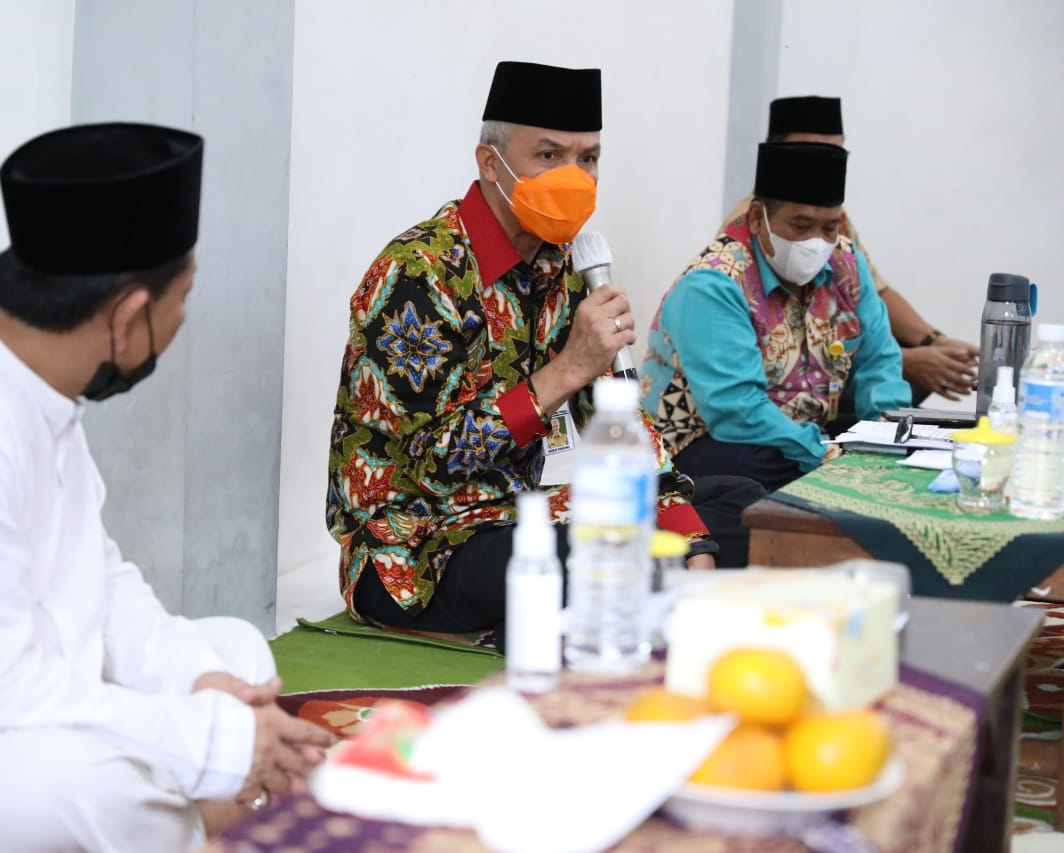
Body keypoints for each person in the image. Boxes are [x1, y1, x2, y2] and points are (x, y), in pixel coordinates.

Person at [0, 123, 334, 851]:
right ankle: (194, 822)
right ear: (128, 314)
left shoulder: (29, 389)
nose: (182, 321)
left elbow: (101, 582)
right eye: (183, 298)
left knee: (233, 654)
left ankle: (187, 818)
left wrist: (200, 686)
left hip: (9, 700)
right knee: (85, 787)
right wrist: (204, 741)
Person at [327, 61, 766, 648]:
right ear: (490, 164)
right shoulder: (418, 274)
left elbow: (618, 421)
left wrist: (689, 536)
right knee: (603, 554)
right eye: (549, 156)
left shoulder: (564, 267)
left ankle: (575, 609)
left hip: (517, 515)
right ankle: (566, 615)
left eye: (588, 159)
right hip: (418, 547)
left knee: (741, 505)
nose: (574, 177)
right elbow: (429, 466)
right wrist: (568, 371)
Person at [639, 141, 912, 492]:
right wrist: (824, 455)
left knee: (874, 459)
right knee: (761, 474)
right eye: (800, 225)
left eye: (829, 228)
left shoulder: (847, 264)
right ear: (757, 218)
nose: (816, 242)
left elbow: (880, 363)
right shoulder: (715, 283)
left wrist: (887, 438)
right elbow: (738, 411)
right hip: (698, 445)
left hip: (797, 439)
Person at [724, 96, 979, 405]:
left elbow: (874, 292)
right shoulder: (741, 236)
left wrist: (936, 341)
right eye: (801, 226)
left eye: (836, 152)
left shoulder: (836, 221)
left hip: (829, 354)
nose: (824, 161)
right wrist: (910, 360)